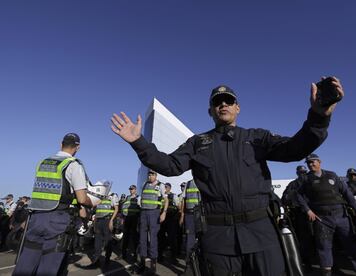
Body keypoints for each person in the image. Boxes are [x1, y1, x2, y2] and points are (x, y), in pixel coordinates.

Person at [111, 79, 343, 276]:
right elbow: (170, 166)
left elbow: (296, 148)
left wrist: (318, 117)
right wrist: (139, 142)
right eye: (216, 102)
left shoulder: (257, 138)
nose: (223, 104)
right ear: (211, 111)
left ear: (237, 108)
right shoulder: (197, 143)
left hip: (262, 234)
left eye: (229, 100)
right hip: (217, 238)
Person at [12, 133, 94, 276]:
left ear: (60, 143)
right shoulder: (73, 165)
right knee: (48, 267)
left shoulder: (43, 162)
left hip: (36, 218)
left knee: (25, 265)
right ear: (78, 147)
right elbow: (81, 198)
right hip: (58, 219)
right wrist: (91, 202)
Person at [296, 154, 356, 276]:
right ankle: (326, 271)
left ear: (319, 162)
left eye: (313, 161)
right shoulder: (306, 179)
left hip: (340, 215)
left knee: (351, 243)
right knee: (324, 246)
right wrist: (308, 210)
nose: (311, 164)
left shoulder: (332, 175)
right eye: (308, 163)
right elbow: (298, 196)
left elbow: (347, 193)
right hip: (322, 218)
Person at [281, 165, 314, 272]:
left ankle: (307, 261)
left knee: (305, 237)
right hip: (308, 213)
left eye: (303, 173)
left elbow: (284, 199)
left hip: (303, 213)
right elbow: (285, 198)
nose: (302, 175)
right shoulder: (311, 181)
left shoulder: (294, 184)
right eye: (302, 173)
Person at [135, 170, 168, 274]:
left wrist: (164, 213)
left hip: (154, 213)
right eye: (149, 174)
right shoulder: (145, 184)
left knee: (153, 239)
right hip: (144, 213)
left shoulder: (160, 185)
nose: (150, 176)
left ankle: (153, 267)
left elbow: (166, 200)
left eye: (152, 174)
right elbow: (141, 197)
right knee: (142, 239)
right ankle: (142, 264)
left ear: (156, 175)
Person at [81, 181, 118, 269]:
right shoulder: (99, 196)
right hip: (98, 222)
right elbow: (95, 210)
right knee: (97, 243)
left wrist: (111, 221)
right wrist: (94, 223)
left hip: (107, 221)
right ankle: (96, 261)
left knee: (108, 242)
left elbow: (116, 209)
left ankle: (107, 260)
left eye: (105, 186)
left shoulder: (112, 195)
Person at [179, 179, 201, 273]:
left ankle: (200, 266)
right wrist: (182, 215)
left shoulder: (202, 180)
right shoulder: (188, 183)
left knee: (202, 240)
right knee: (190, 241)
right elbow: (184, 200)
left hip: (200, 215)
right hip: (190, 215)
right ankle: (189, 267)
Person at [158, 182, 180, 263]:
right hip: (162, 219)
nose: (165, 188)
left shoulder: (173, 196)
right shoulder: (160, 196)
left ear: (169, 188)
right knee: (160, 237)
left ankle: (173, 257)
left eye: (166, 187)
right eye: (164, 187)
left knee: (172, 238)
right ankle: (160, 256)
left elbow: (179, 207)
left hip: (171, 219)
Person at [121, 184, 141, 262]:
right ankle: (123, 254)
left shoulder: (138, 197)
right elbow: (123, 208)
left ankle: (135, 255)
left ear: (135, 190)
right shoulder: (127, 198)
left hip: (134, 219)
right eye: (130, 189)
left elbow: (140, 208)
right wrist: (123, 217)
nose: (131, 190)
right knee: (125, 237)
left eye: (132, 189)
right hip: (127, 219)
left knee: (134, 238)